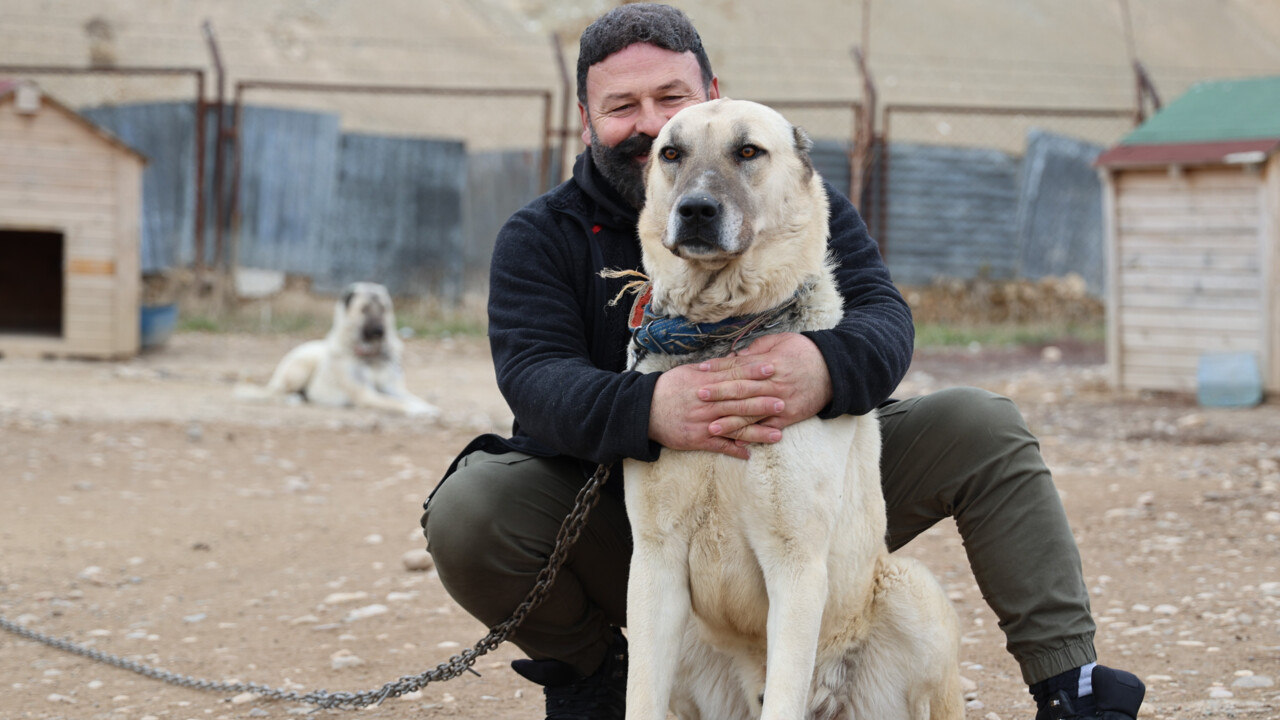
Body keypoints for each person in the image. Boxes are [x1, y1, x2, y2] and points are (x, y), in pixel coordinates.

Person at [421, 4, 1146, 719]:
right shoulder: (542, 235)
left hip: (811, 480)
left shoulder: (795, 194)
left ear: (713, 97)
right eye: (621, 107)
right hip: (626, 508)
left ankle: (1070, 685)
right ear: (586, 120)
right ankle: (593, 670)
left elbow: (884, 317)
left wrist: (823, 365)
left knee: (983, 424)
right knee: (473, 508)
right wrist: (649, 409)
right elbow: (535, 380)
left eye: (669, 99)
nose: (646, 125)